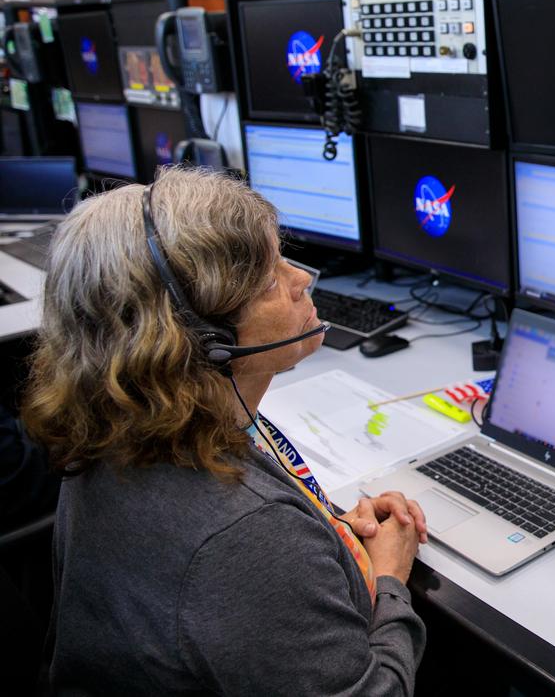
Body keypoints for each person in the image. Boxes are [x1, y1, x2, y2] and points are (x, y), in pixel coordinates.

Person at [23, 167, 428, 695]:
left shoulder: (116, 424)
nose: (301, 278)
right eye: (268, 279)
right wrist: (391, 577)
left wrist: (328, 534)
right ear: (200, 339)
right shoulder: (247, 532)